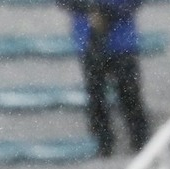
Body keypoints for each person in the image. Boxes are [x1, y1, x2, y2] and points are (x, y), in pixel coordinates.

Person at [56, 0, 151, 157]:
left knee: (129, 92)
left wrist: (106, 12)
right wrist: (90, 9)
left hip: (122, 39)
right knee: (96, 94)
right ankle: (103, 142)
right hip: (88, 39)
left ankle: (140, 139)